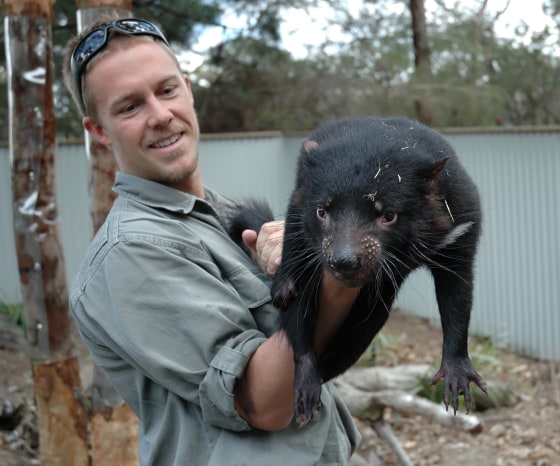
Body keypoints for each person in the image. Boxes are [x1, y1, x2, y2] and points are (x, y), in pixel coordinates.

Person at [63, 13, 361, 466]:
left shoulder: (223, 217)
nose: (160, 115)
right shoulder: (130, 252)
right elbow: (264, 402)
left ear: (187, 87)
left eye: (166, 90)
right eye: (130, 106)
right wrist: (335, 268)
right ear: (98, 131)